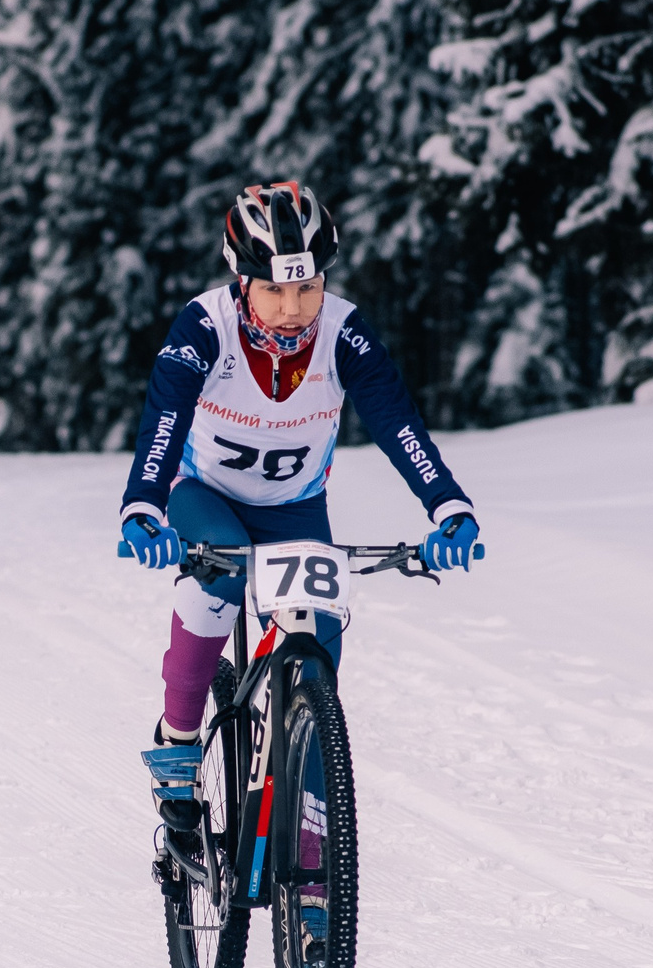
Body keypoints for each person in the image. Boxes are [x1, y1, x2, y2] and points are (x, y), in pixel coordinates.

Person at [117, 181, 483, 825]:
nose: (293, 308)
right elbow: (164, 420)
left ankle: (310, 847)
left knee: (319, 655)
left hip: (294, 509)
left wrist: (447, 506)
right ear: (242, 282)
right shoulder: (205, 325)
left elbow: (398, 424)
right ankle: (177, 741)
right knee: (218, 578)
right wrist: (143, 506)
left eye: (307, 288)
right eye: (276, 290)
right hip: (203, 496)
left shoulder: (345, 332)